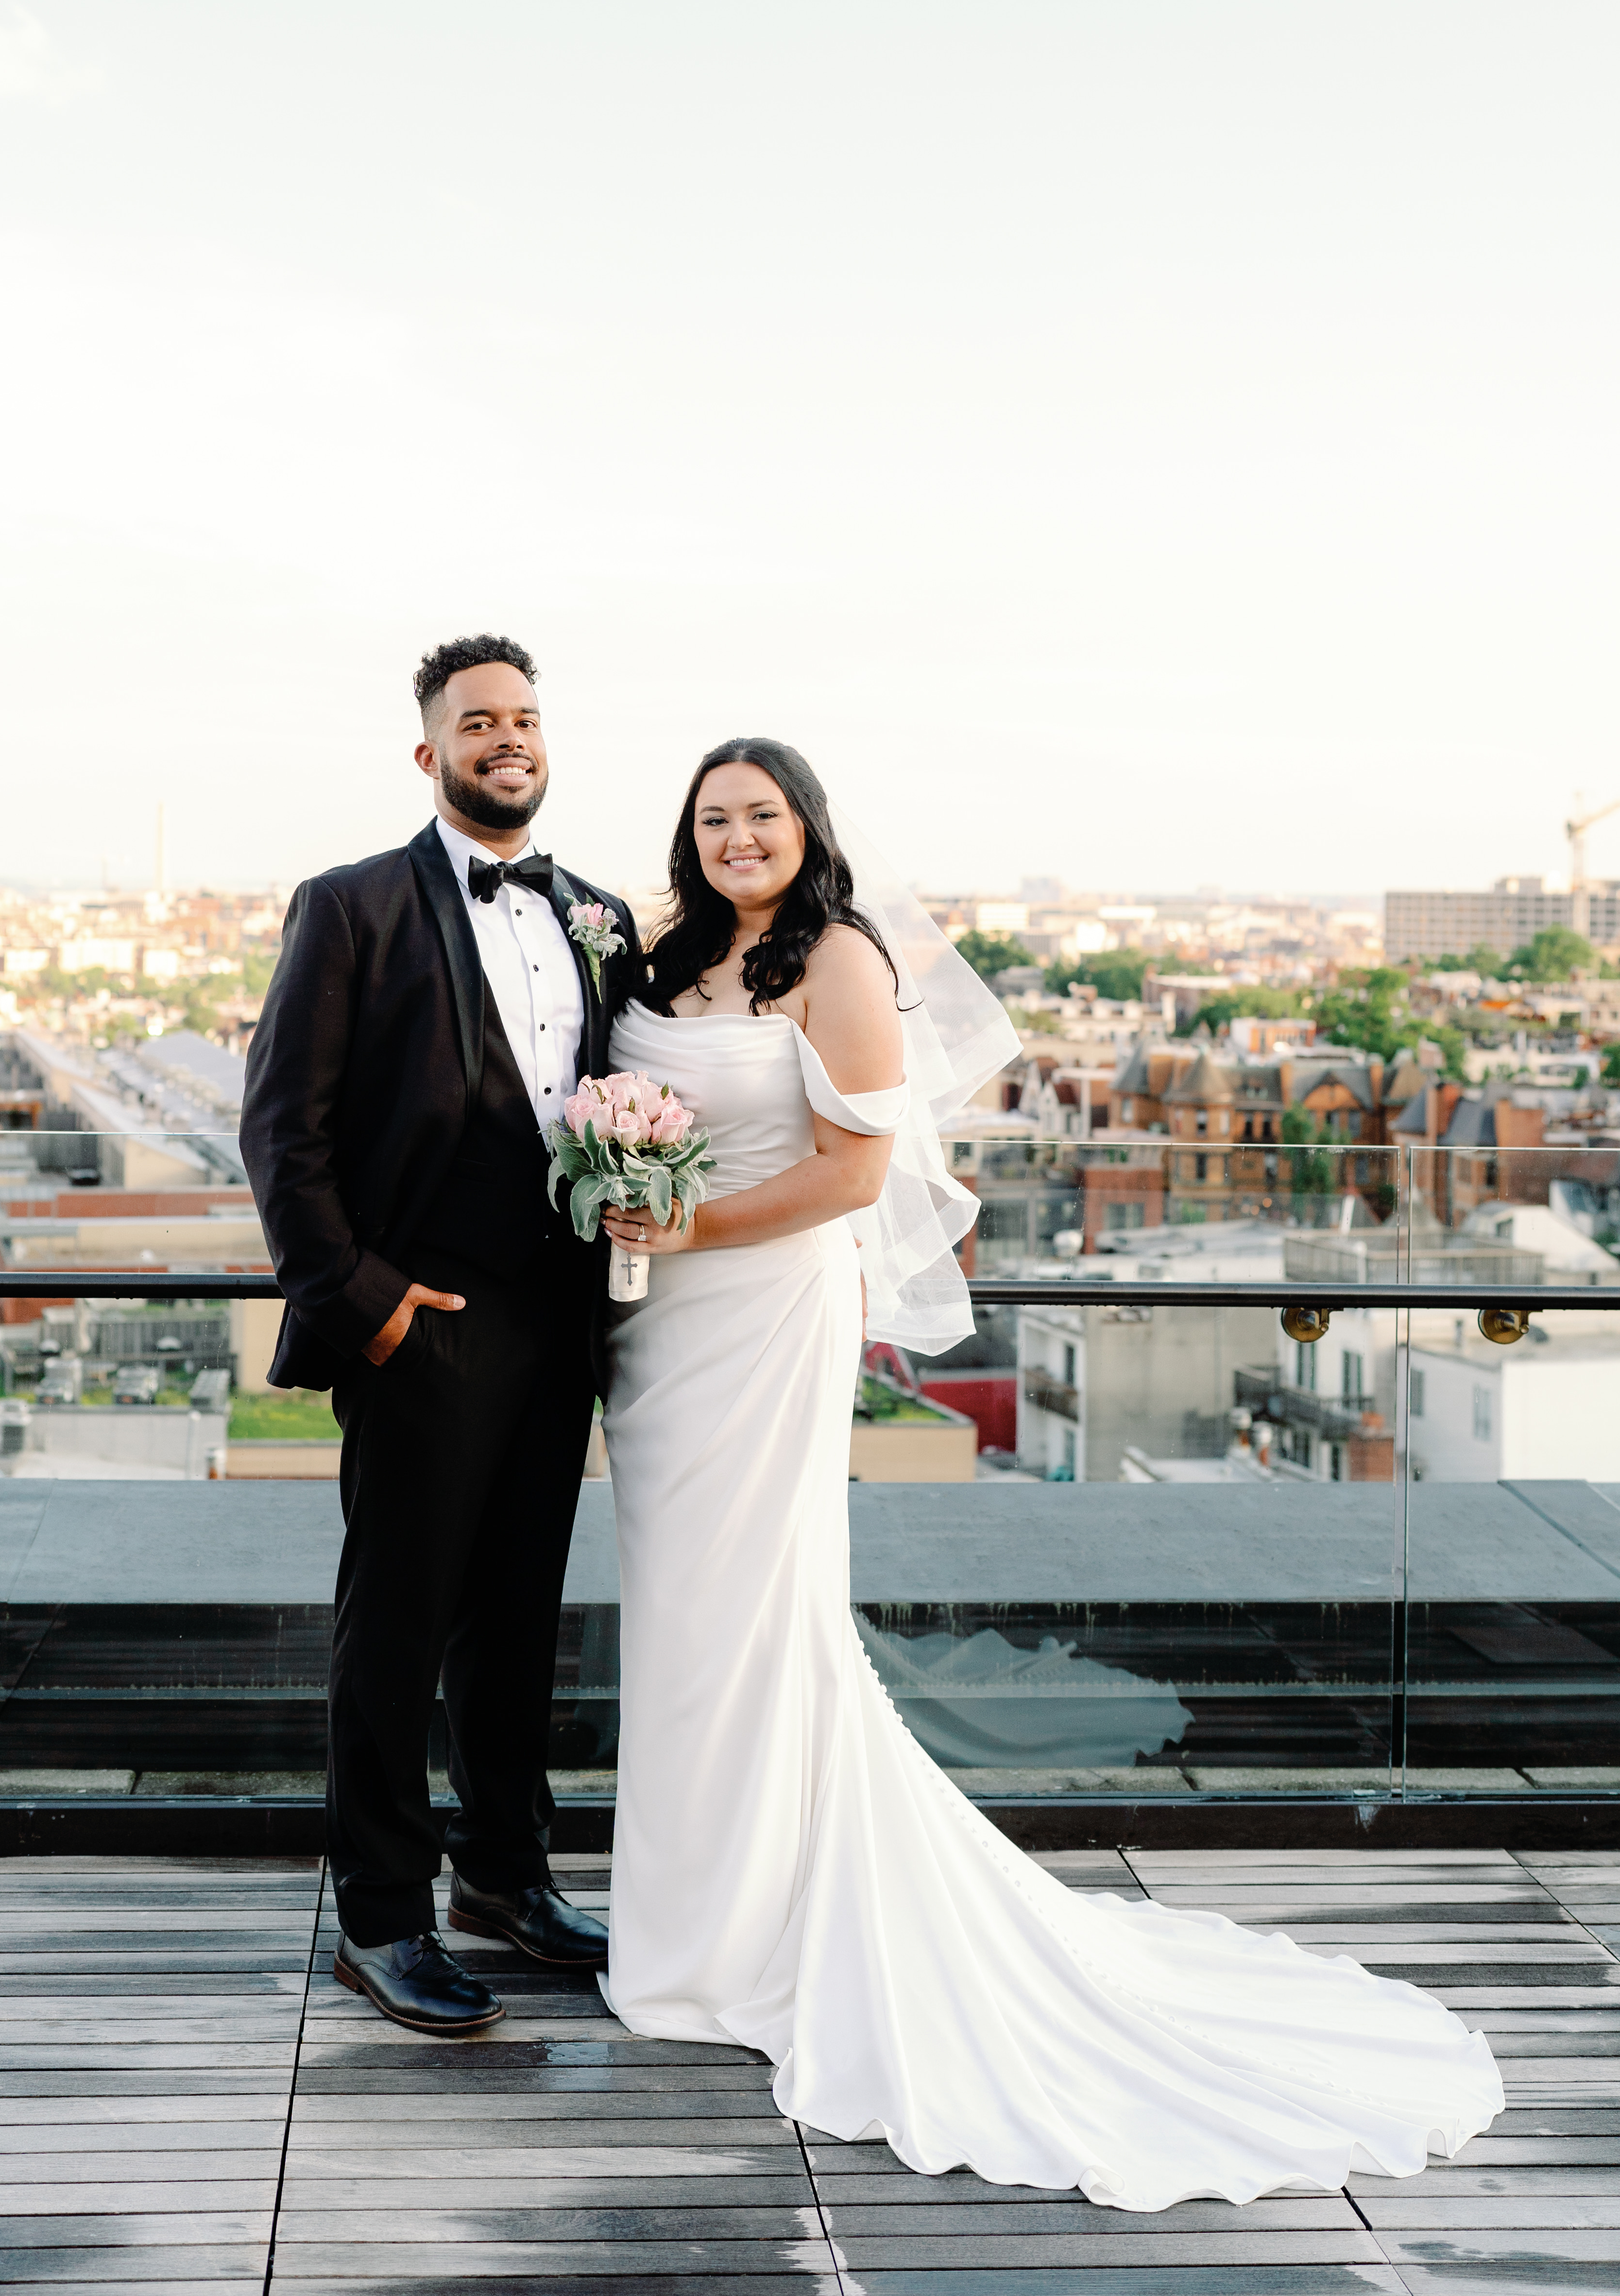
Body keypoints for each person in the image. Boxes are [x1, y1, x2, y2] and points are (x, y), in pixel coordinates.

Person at [594, 735, 1503, 2209]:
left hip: (763, 1314)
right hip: (662, 1333)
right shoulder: (665, 956)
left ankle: (748, 1943)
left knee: (758, 1618)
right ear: (688, 836)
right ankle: (694, 1928)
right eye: (715, 818)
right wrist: (624, 1193)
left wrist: (677, 1229)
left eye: (762, 815)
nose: (737, 837)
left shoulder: (838, 960)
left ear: (806, 826)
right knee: (684, 1627)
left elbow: (850, 1174)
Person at [239, 635, 638, 2036]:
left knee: (521, 1619)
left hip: (561, 1324)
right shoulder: (348, 907)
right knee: (396, 1625)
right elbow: (285, 1133)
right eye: (478, 723)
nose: (506, 739)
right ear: (432, 754)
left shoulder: (599, 913)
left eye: (525, 719)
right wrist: (367, 1301)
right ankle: (383, 1917)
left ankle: (505, 1874)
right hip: (421, 1327)